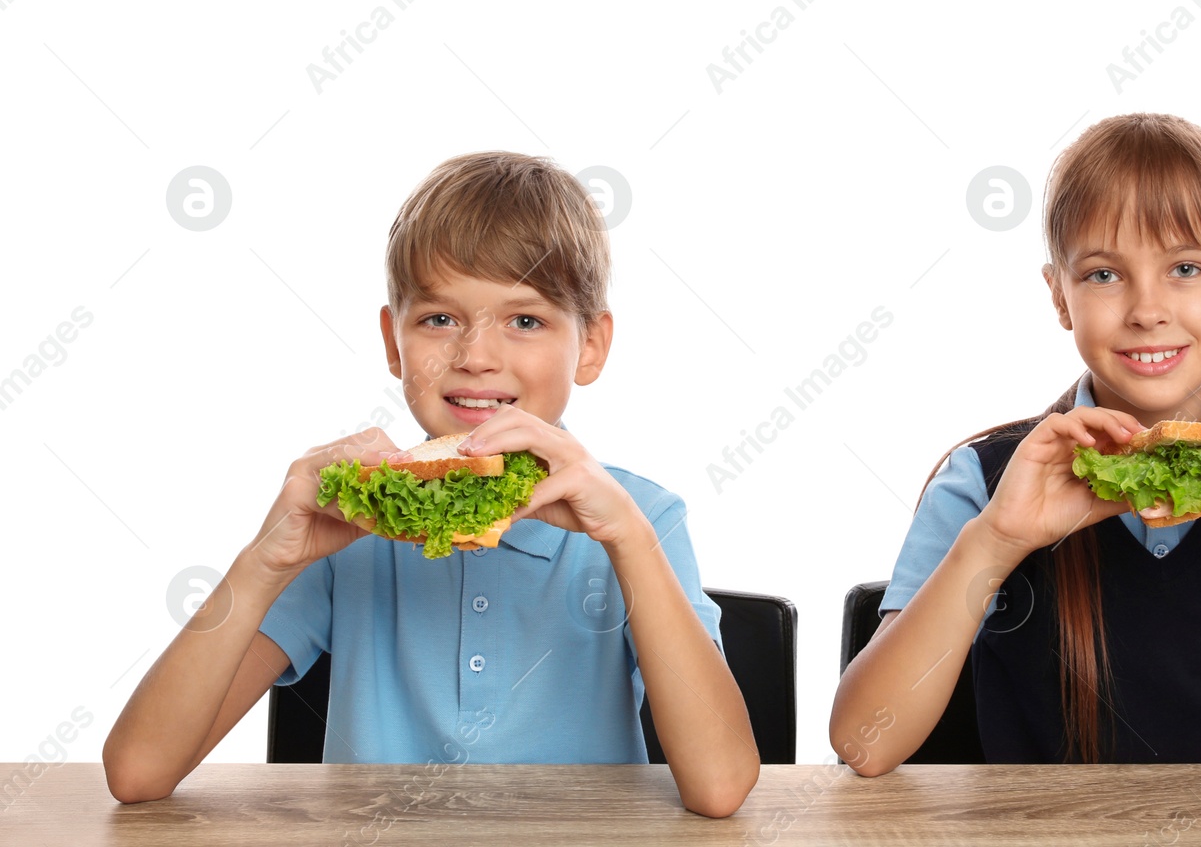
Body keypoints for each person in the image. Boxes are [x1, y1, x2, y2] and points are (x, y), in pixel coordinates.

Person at [103, 152, 758, 817]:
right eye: (438, 319)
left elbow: (721, 786)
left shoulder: (643, 515)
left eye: (525, 320)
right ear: (394, 341)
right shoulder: (348, 528)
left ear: (590, 345)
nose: (475, 356)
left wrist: (628, 540)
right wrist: (264, 561)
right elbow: (138, 771)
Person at [829, 113, 1201, 792]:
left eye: (1185, 267)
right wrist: (996, 541)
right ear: (1058, 294)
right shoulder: (984, 481)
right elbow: (864, 742)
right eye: (1103, 275)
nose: (1148, 309)